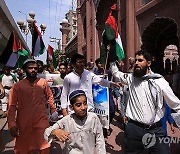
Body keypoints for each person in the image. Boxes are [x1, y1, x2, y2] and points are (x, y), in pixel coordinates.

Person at [110, 50, 180, 154]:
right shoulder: (130, 79)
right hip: (134, 129)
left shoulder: (159, 81)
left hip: (156, 130)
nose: (136, 63)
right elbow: (116, 73)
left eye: (140, 60)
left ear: (149, 63)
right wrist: (111, 55)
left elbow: (175, 104)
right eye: (136, 60)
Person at [7, 59, 58, 154]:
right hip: (23, 122)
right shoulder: (18, 86)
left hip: (41, 120)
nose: (33, 70)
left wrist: (53, 110)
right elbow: (12, 105)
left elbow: (50, 96)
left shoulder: (43, 82)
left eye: (35, 68)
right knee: (23, 148)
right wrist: (12, 124)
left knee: (45, 145)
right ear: (25, 69)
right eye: (30, 68)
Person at [44, 90, 106, 154]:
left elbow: (100, 141)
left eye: (85, 103)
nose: (83, 107)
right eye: (78, 105)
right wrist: (54, 132)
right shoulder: (66, 120)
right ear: (71, 107)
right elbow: (46, 132)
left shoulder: (93, 118)